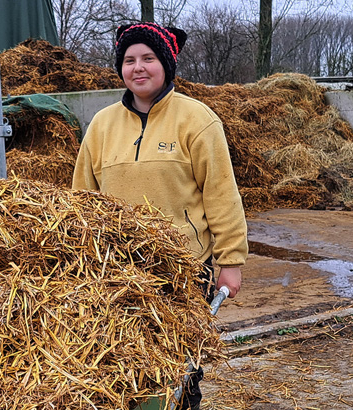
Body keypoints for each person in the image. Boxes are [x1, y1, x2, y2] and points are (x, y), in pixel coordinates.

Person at [71, 22, 248, 410]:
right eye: (130, 60)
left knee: (179, 371)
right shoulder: (101, 125)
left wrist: (230, 261)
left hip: (182, 270)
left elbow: (221, 195)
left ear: (166, 64)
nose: (138, 68)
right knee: (117, 367)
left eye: (148, 58)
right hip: (115, 272)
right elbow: (82, 200)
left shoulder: (197, 120)